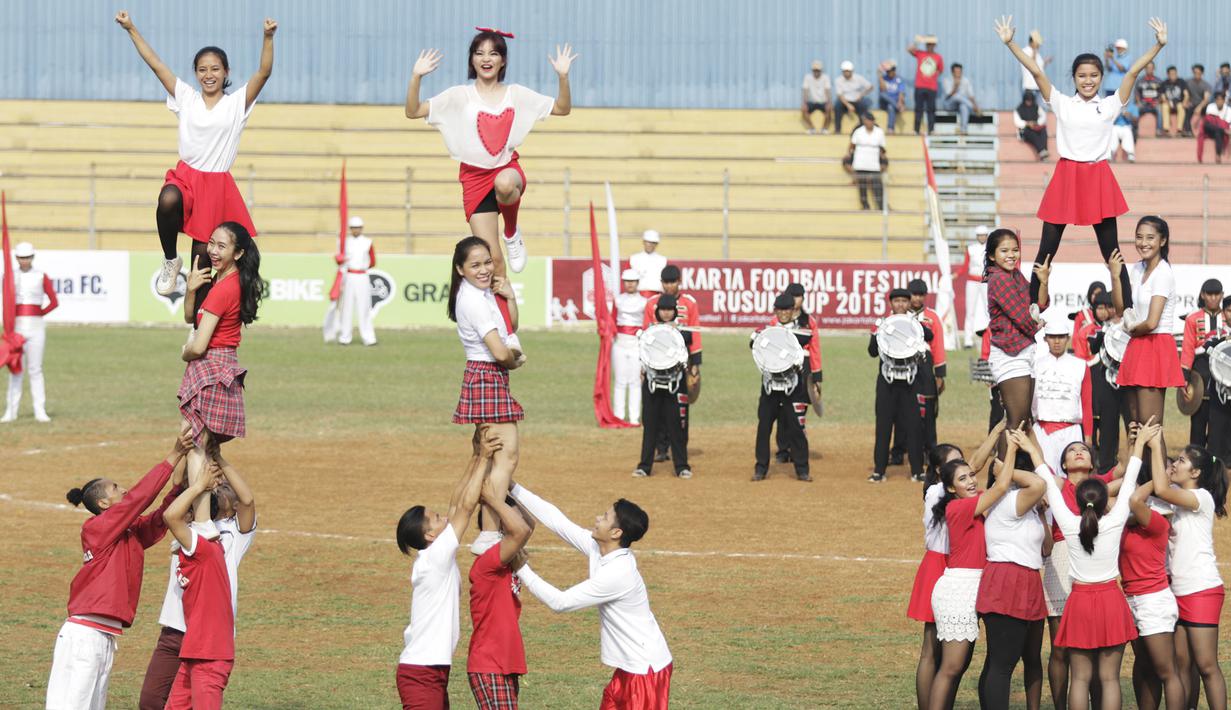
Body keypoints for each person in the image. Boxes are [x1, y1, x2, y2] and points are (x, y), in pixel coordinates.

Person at [406, 30, 576, 333]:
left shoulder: (516, 94)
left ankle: (511, 231)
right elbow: (412, 111)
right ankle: (506, 331)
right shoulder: (459, 96)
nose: (486, 58)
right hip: (473, 178)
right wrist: (416, 76)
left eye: (494, 53)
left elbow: (563, 108)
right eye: (480, 53)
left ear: (503, 61)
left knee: (505, 184)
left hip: (506, 170)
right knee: (493, 260)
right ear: (472, 60)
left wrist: (563, 76)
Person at [995, 14, 1167, 307]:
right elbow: (1036, 71)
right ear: (1074, 78)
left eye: (1094, 75)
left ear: (1101, 77)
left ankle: (1126, 310)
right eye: (1082, 76)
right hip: (1066, 176)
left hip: (1098, 177)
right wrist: (1011, 43)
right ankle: (1032, 308)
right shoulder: (1062, 103)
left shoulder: (1110, 105)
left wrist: (1158, 46)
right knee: (1047, 249)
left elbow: (1132, 73)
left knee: (1112, 252)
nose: (1088, 81)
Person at [115, 11, 272, 302]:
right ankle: (170, 259)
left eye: (215, 69)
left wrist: (268, 37)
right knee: (168, 199)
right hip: (186, 178)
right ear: (196, 73)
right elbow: (155, 63)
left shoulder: (237, 104)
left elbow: (263, 72)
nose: (208, 75)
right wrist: (130, 28)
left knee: (201, 270)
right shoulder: (186, 97)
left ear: (226, 72)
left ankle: (201, 323)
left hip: (215, 188)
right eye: (202, 69)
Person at [46, 430, 193, 710]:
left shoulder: (127, 532)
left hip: (102, 636)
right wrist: (174, 455)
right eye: (116, 488)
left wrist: (179, 490)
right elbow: (138, 499)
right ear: (103, 504)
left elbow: (158, 521)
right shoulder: (97, 528)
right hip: (85, 637)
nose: (124, 490)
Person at [1028, 422, 1158, 710]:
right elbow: (1130, 478)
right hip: (1111, 600)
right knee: (1110, 679)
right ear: (1104, 500)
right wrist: (1140, 443)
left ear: (1077, 499)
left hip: (1080, 602)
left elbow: (1045, 478)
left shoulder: (1068, 524)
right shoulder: (1115, 521)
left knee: (1080, 678)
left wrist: (1029, 447)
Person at [509, 483, 673, 709]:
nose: (598, 519)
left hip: (645, 671)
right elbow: (558, 522)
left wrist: (522, 568)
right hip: (630, 668)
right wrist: (513, 488)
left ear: (616, 533)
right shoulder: (601, 549)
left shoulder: (618, 573)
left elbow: (561, 603)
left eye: (605, 517)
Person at [140, 452, 256, 710]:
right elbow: (180, 483)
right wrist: (193, 448)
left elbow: (247, 500)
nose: (221, 485)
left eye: (226, 487)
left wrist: (217, 458)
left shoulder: (229, 534)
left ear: (234, 506)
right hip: (176, 629)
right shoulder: (192, 526)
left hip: (209, 636)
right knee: (151, 701)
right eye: (219, 484)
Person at [395, 428, 499, 709]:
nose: (445, 518)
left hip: (430, 671)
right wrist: (484, 458)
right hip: (422, 674)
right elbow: (464, 508)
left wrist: (476, 456)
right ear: (429, 535)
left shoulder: (432, 555)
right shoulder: (437, 557)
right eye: (437, 518)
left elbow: (456, 503)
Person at [909, 432, 998, 710]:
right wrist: (997, 432)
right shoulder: (939, 491)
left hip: (956, 566)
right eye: (954, 462)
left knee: (951, 653)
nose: (964, 467)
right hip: (941, 567)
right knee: (931, 650)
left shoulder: (954, 491)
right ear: (940, 471)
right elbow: (974, 465)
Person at [926, 446, 1017, 710]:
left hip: (973, 586)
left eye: (972, 475)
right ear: (950, 488)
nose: (971, 481)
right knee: (951, 667)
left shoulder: (970, 503)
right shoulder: (959, 507)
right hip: (959, 589)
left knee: (958, 666)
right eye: (962, 479)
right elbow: (1001, 487)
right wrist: (1011, 449)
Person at [447, 236, 525, 543]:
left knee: (494, 459)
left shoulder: (483, 292)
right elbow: (500, 351)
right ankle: (489, 534)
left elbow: (509, 328)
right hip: (488, 375)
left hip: (487, 377)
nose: (484, 270)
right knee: (505, 459)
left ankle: (483, 530)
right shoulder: (474, 300)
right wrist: (515, 361)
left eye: (488, 262)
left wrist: (510, 298)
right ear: (460, 269)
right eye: (475, 265)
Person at [179, 222, 263, 491]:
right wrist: (191, 289)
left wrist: (185, 352)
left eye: (222, 246)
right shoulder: (223, 281)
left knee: (195, 448)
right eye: (212, 243)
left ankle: (202, 513)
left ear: (238, 253)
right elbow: (191, 317)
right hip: (220, 367)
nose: (213, 251)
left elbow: (198, 346)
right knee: (198, 447)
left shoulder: (224, 289)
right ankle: (202, 509)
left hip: (211, 368)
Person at [1150, 440, 1229, 710]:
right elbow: (1161, 482)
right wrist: (1156, 439)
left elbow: (1160, 487)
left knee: (1206, 666)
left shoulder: (1201, 497)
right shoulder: (1176, 495)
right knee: (1183, 664)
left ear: (1195, 473)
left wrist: (1154, 446)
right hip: (1178, 591)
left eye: (1181, 461)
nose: (1175, 465)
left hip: (1201, 590)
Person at [974, 439, 1048, 710]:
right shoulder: (1008, 500)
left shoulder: (1027, 507)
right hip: (1008, 581)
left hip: (1026, 581)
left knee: (998, 662)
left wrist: (1042, 513)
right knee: (1002, 665)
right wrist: (1006, 468)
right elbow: (1040, 484)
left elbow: (1047, 548)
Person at [159, 453, 234, 710]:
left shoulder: (204, 548)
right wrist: (196, 447)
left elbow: (170, 516)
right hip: (194, 651)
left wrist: (200, 485)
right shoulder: (197, 545)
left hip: (210, 655)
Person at [1120, 429, 1186, 710]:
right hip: (1131, 599)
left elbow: (1135, 502)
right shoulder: (1128, 517)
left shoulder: (1159, 520)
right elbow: (1120, 496)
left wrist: (1161, 479)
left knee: (1166, 670)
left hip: (1153, 600)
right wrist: (1133, 445)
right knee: (1144, 665)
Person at [1108, 216, 1185, 448]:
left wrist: (1131, 329)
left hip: (1154, 344)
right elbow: (1121, 309)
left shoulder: (1163, 273)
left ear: (1163, 241)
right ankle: (1141, 470)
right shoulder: (1136, 268)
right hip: (1138, 344)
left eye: (1150, 238)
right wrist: (1115, 276)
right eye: (1139, 237)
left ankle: (1159, 473)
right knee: (1136, 425)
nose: (1143, 243)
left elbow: (1151, 322)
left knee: (1150, 427)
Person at [467, 477, 534, 709]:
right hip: (490, 664)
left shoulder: (507, 560)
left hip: (503, 663)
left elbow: (528, 526)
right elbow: (522, 530)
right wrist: (493, 500)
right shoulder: (488, 563)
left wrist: (507, 487)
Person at [984, 227, 1048, 463]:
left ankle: (1011, 473)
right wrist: (1037, 323)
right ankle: (1001, 475)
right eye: (1004, 251)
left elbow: (1040, 305)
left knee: (1022, 421)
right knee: (1016, 422)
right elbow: (1024, 318)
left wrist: (1043, 281)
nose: (1011, 255)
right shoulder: (999, 278)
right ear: (992, 256)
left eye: (1015, 250)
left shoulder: (1014, 275)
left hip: (1023, 352)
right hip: (1010, 354)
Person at [868, 289, 931, 483]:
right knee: (883, 426)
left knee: (914, 426)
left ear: (909, 303)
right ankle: (879, 470)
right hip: (886, 383)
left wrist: (916, 325)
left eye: (904, 301)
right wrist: (878, 331)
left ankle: (917, 470)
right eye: (897, 301)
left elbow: (930, 336)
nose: (901, 304)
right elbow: (872, 351)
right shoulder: (883, 323)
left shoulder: (915, 324)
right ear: (891, 304)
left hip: (911, 383)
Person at [752, 293, 815, 482]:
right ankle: (760, 468)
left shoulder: (801, 330)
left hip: (792, 388)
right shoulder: (767, 329)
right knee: (764, 428)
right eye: (779, 310)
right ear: (775, 311)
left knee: (796, 429)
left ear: (793, 311)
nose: (783, 313)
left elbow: (806, 339)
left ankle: (802, 469)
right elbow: (753, 341)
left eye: (787, 310)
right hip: (769, 388)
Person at [643, 265, 701, 462]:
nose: (669, 286)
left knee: (680, 407)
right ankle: (661, 448)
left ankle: (680, 447)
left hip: (681, 362)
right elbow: (646, 333)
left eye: (672, 282)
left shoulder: (689, 303)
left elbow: (695, 333)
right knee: (657, 407)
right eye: (666, 283)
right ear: (661, 283)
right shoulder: (652, 303)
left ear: (679, 282)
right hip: (657, 361)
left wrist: (695, 364)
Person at [634, 294, 693, 479]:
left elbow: (688, 339)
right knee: (650, 425)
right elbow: (642, 348)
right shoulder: (650, 332)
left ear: (675, 311)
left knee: (677, 426)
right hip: (652, 383)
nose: (666, 313)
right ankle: (644, 466)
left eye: (669, 310)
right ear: (657, 311)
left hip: (675, 384)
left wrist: (674, 331)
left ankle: (682, 466)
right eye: (663, 310)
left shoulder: (681, 331)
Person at [2, 241, 58, 423]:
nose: (24, 261)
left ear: (32, 257)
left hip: (36, 327)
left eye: (27, 257)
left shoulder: (41, 276)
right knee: (16, 369)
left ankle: (39, 410)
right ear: (16, 258)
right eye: (21, 257)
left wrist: (39, 313)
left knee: (35, 369)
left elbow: (54, 301)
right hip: (17, 328)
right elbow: (7, 303)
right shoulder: (8, 277)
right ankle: (11, 411)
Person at [1032, 317, 1093, 476]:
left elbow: (1087, 404)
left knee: (1072, 478)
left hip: (1071, 431)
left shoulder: (1080, 365)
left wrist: (1088, 438)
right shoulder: (1035, 365)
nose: (1057, 341)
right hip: (1042, 430)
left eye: (1061, 337)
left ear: (1068, 338)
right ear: (1045, 339)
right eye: (1052, 337)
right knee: (1043, 478)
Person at [773, 282, 823, 465]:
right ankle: (782, 448)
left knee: (799, 411)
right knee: (781, 411)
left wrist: (817, 376)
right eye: (793, 296)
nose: (795, 300)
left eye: (799, 296)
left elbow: (815, 350)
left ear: (803, 298)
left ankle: (797, 448)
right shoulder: (776, 320)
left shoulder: (809, 322)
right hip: (782, 369)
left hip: (803, 368)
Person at [1180, 279, 1226, 447]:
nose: (1213, 298)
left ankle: (1217, 460)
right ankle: (1196, 459)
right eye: (1209, 294)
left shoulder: (1228, 316)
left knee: (1220, 427)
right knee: (1198, 427)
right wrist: (1184, 378)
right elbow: (1187, 349)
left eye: (1216, 294)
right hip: (1200, 376)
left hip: (1223, 378)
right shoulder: (1192, 319)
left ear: (1222, 295)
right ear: (1202, 295)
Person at [335, 215, 377, 346]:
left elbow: (373, 261)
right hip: (349, 276)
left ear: (362, 228)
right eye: (353, 227)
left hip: (362, 276)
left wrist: (362, 267)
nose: (356, 230)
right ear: (350, 228)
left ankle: (368, 337)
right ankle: (345, 337)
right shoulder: (344, 242)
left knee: (364, 308)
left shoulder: (367, 242)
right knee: (346, 308)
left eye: (358, 227)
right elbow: (339, 260)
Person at [612, 269, 647, 424]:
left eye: (632, 281)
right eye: (627, 281)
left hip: (636, 344)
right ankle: (618, 416)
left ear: (638, 283)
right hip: (620, 343)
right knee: (620, 381)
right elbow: (612, 320)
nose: (630, 284)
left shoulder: (644, 302)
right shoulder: (618, 300)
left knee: (635, 381)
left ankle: (634, 417)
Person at [846, 112, 886, 211]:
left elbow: (882, 148)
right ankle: (865, 206)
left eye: (870, 120)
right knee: (862, 186)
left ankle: (881, 206)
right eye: (867, 120)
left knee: (878, 186)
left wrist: (882, 157)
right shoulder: (858, 131)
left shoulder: (879, 132)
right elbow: (852, 145)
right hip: (860, 163)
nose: (869, 122)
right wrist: (850, 154)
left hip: (874, 164)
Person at [907, 34, 943, 135]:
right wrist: (917, 42)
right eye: (928, 44)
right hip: (920, 86)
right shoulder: (920, 53)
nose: (929, 46)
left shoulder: (938, 57)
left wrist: (933, 76)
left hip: (932, 87)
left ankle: (931, 129)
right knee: (918, 109)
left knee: (931, 109)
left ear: (934, 46)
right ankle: (916, 129)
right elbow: (909, 49)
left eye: (931, 44)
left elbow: (940, 70)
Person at [962, 225, 990, 348]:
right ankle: (968, 340)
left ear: (987, 236)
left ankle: (991, 335)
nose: (982, 237)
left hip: (985, 281)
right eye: (979, 235)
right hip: (972, 281)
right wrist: (955, 275)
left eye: (984, 235)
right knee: (970, 310)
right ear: (977, 236)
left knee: (988, 309)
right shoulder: (971, 249)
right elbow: (965, 266)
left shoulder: (991, 248)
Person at [833, 60, 873, 134]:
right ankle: (837, 130)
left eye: (848, 71)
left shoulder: (858, 78)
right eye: (845, 71)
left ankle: (862, 128)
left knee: (864, 106)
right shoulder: (838, 80)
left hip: (857, 101)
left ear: (852, 71)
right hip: (844, 102)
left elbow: (870, 87)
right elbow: (840, 95)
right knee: (837, 106)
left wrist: (861, 95)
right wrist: (848, 105)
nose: (846, 73)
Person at [940, 63, 980, 134]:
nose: (959, 74)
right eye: (957, 72)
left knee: (963, 106)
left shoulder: (965, 80)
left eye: (960, 72)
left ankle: (963, 130)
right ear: (952, 72)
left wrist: (975, 104)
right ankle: (973, 108)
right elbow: (949, 95)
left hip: (960, 105)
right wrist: (956, 85)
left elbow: (971, 95)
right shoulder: (947, 80)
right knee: (957, 96)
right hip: (949, 104)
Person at [1013, 90, 1050, 161]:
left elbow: (1043, 117)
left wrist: (1036, 123)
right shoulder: (1019, 109)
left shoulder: (1036, 107)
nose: (1029, 102)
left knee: (1043, 131)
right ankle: (1042, 151)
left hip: (1035, 127)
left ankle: (1044, 151)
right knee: (1032, 133)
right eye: (1027, 100)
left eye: (1030, 100)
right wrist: (1027, 123)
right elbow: (1017, 122)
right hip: (1025, 130)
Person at [629, 230, 666, 297]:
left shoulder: (663, 260)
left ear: (657, 244)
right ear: (644, 242)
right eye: (648, 242)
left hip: (657, 295)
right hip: (638, 296)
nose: (651, 245)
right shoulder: (634, 259)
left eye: (653, 243)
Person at [801, 60, 833, 134]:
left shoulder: (825, 77)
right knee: (804, 109)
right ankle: (812, 128)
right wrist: (804, 103)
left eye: (818, 70)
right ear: (812, 70)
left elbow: (827, 91)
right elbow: (805, 91)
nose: (816, 72)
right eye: (815, 70)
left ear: (821, 70)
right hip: (812, 102)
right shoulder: (807, 77)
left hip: (823, 102)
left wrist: (829, 102)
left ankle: (824, 129)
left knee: (829, 109)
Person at [1021, 30, 1050, 109]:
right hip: (1030, 86)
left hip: (1038, 85)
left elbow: (1039, 68)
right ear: (1033, 42)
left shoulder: (1036, 53)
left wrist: (1045, 62)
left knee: (1038, 108)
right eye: (1037, 43)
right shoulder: (1025, 51)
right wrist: (1034, 51)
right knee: (1030, 109)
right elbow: (1031, 64)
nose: (1039, 45)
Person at [1200, 91, 1231, 164]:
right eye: (1217, 99)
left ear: (1224, 101)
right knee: (1212, 126)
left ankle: (1218, 155)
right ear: (1215, 100)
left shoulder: (1229, 110)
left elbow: (1228, 124)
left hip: (1220, 132)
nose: (1219, 101)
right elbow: (1208, 121)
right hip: (1209, 129)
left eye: (1221, 100)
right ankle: (1222, 130)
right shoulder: (1210, 107)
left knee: (1218, 132)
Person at [1183, 64, 1212, 137]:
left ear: (1202, 73)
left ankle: (1207, 131)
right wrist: (1186, 102)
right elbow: (1186, 94)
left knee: (1208, 111)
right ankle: (1188, 131)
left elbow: (1206, 99)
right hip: (1192, 104)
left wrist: (1199, 107)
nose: (1196, 74)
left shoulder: (1206, 85)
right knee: (1187, 110)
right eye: (1195, 72)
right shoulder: (1188, 82)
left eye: (1198, 73)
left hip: (1202, 104)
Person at [1160, 65, 1189, 138]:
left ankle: (1179, 130)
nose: (1173, 75)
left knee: (1181, 107)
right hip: (1168, 103)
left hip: (1179, 102)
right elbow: (1163, 97)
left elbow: (1186, 94)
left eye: (1175, 73)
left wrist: (1185, 102)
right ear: (1168, 74)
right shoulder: (1164, 83)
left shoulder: (1181, 82)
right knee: (1164, 106)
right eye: (1171, 74)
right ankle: (1166, 130)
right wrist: (1167, 103)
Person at [1136, 61, 1164, 137]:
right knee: (1135, 110)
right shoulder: (1140, 80)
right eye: (1148, 68)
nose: (1149, 69)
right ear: (1145, 69)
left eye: (1151, 68)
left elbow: (1162, 94)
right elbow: (1137, 93)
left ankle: (1159, 130)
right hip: (1143, 103)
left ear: (1154, 69)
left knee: (1160, 109)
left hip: (1155, 103)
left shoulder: (1159, 81)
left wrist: (1158, 102)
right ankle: (1135, 130)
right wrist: (1138, 102)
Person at [878, 61, 906, 133]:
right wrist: (880, 76)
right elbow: (883, 89)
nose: (888, 73)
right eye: (887, 71)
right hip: (885, 103)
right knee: (882, 94)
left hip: (896, 102)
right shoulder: (884, 78)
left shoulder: (899, 79)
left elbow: (901, 92)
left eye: (890, 71)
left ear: (894, 70)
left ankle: (890, 128)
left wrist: (900, 102)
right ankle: (898, 107)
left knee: (890, 107)